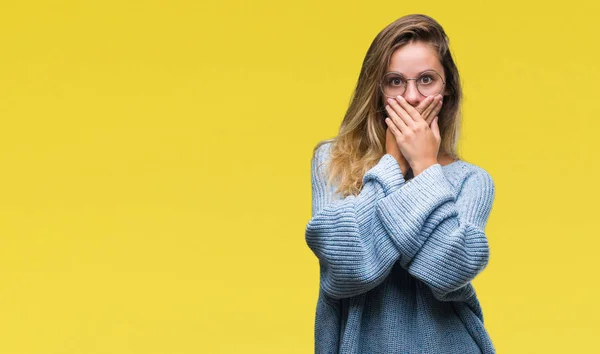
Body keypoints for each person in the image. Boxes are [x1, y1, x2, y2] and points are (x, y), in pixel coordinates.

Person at [305, 14, 496, 354]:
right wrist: (393, 164)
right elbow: (347, 267)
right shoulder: (332, 160)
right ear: (377, 89)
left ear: (447, 87)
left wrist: (424, 166)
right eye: (395, 81)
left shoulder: (471, 180)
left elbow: (452, 270)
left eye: (426, 79)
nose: (411, 97)